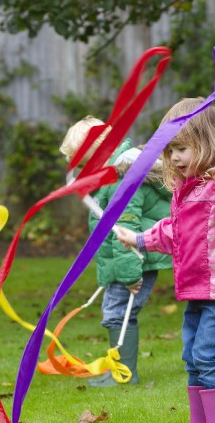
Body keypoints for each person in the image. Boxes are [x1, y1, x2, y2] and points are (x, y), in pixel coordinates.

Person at [116, 98, 215, 423]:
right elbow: (174, 231)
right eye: (170, 151)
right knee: (192, 357)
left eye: (181, 148)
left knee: (208, 355)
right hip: (198, 291)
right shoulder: (187, 191)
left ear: (209, 142)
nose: (175, 158)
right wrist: (139, 239)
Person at [60, 116, 172, 387]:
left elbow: (125, 229)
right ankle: (119, 371)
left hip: (134, 260)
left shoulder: (124, 178)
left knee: (119, 314)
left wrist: (130, 275)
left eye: (85, 162)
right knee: (114, 311)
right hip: (122, 260)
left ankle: (125, 374)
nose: (84, 170)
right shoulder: (111, 176)